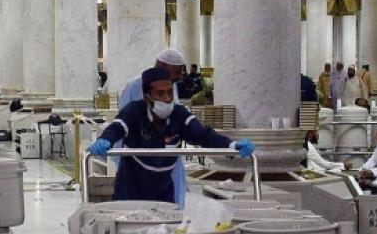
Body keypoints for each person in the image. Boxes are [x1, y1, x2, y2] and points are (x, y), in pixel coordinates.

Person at [88, 67, 255, 203]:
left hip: (163, 190)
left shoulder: (179, 114)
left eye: (169, 93)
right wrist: (105, 140)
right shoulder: (134, 111)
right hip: (131, 187)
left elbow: (203, 134)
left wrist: (231, 145)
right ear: (147, 96)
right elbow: (117, 127)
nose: (167, 98)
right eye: (160, 94)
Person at [117, 48, 188, 206]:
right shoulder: (135, 86)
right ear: (161, 66)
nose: (179, 77)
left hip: (168, 157)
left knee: (171, 206)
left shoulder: (171, 85)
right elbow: (122, 124)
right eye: (176, 72)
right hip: (140, 160)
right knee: (139, 207)